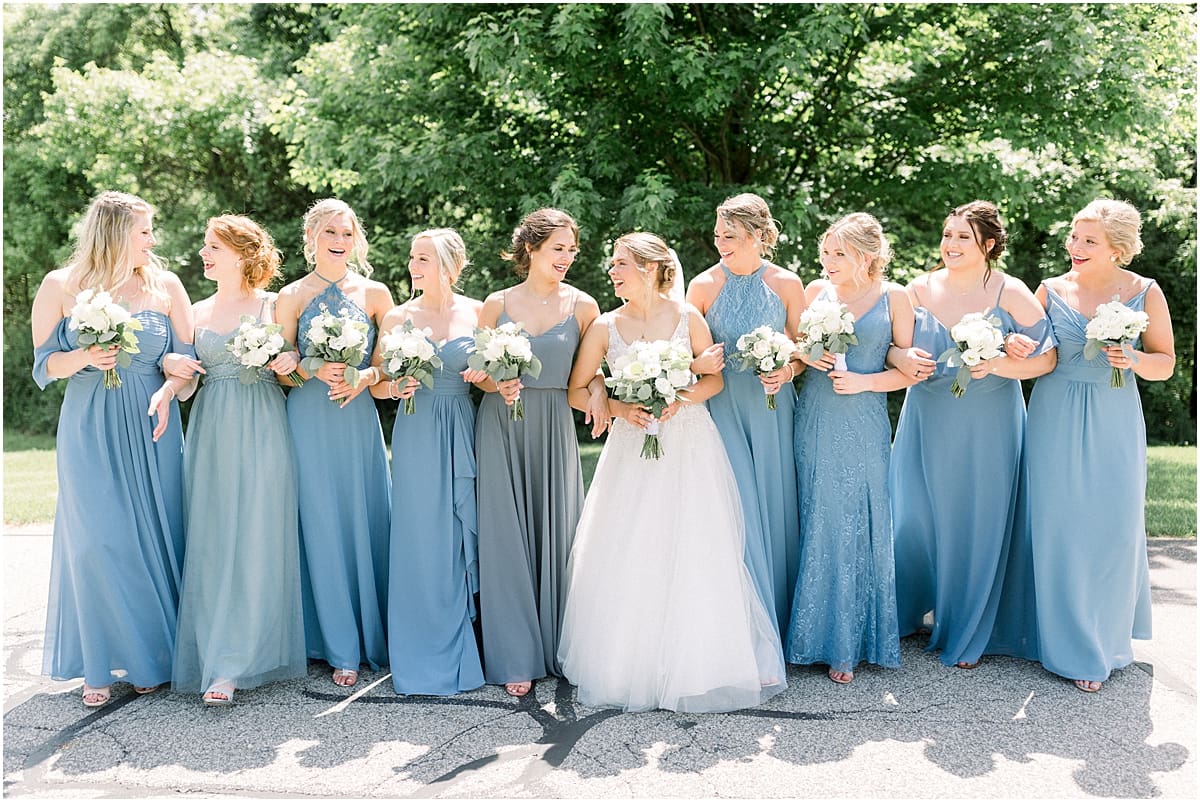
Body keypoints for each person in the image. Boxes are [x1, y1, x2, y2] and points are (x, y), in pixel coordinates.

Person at [558, 232, 786, 712]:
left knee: (695, 543)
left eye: (620, 263)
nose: (612, 272)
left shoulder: (687, 317)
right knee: (632, 542)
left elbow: (714, 380)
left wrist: (677, 397)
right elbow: (577, 390)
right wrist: (619, 407)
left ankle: (700, 661)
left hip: (689, 443)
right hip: (631, 448)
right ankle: (630, 663)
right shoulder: (604, 326)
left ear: (648, 268)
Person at [30, 190, 195, 707]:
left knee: (154, 537)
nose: (153, 240)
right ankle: (98, 663)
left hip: (153, 424)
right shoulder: (60, 285)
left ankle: (150, 658)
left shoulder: (166, 285)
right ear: (116, 232)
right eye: (145, 231)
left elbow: (188, 363)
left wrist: (170, 387)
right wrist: (85, 355)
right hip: (89, 426)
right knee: (97, 541)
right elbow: (43, 365)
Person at [887, 200, 1055, 669]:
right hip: (927, 413)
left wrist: (999, 362)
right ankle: (904, 609)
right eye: (947, 234)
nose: (951, 243)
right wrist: (901, 358)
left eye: (963, 236)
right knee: (914, 515)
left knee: (977, 517)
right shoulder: (916, 289)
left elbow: (1047, 359)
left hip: (989, 418)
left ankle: (969, 624)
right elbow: (891, 348)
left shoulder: (1009, 290)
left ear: (989, 244)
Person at [1024, 199, 1175, 692]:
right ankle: (1065, 640)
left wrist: (1134, 359)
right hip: (1054, 415)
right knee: (1059, 526)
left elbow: (1166, 363)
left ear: (1117, 248)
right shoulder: (1049, 290)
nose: (1075, 246)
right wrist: (1010, 347)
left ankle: (1105, 639)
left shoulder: (1144, 291)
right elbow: (1031, 350)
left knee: (1114, 526)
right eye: (1074, 236)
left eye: (1089, 240)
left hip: (1114, 417)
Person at [467, 208, 606, 698]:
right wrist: (495, 382)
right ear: (531, 248)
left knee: (559, 533)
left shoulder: (584, 306)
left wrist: (600, 390)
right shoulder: (496, 303)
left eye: (572, 250)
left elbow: (592, 371)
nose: (566, 257)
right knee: (505, 535)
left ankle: (560, 647)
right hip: (501, 423)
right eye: (557, 248)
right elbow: (480, 373)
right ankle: (515, 655)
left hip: (553, 426)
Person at [170, 215, 307, 705]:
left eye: (213, 247)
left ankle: (242, 657)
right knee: (212, 537)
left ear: (243, 255)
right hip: (211, 430)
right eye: (205, 245)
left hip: (265, 426)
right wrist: (169, 366)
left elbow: (294, 376)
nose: (203, 254)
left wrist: (292, 362)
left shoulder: (275, 305)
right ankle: (216, 654)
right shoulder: (195, 310)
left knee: (258, 535)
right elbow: (184, 383)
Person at [786, 214, 914, 684]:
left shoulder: (895, 297)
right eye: (826, 252)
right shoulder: (816, 292)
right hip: (816, 416)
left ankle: (849, 642)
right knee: (816, 513)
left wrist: (864, 382)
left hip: (864, 419)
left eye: (839, 253)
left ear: (868, 255)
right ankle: (809, 635)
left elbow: (907, 370)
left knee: (858, 517)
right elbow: (798, 352)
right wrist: (804, 353)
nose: (829, 261)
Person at [276, 198, 394, 687]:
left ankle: (377, 633)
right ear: (311, 238)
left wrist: (363, 376)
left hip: (357, 417)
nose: (340, 242)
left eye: (347, 233)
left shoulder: (376, 294)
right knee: (319, 519)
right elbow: (280, 372)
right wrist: (309, 367)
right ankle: (336, 644)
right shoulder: (291, 296)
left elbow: (387, 367)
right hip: (308, 417)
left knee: (365, 514)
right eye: (330, 232)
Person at [370, 229, 485, 696]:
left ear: (449, 266)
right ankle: (419, 647)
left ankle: (466, 641)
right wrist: (395, 387)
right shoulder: (398, 316)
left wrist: (488, 375)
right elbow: (378, 383)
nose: (413, 266)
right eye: (412, 258)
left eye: (423, 259)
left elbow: (491, 376)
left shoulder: (478, 311)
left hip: (462, 422)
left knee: (459, 529)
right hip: (417, 427)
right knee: (420, 532)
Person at [686, 193, 805, 637]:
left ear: (758, 235)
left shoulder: (787, 283)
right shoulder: (701, 286)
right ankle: (742, 626)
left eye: (730, 236)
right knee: (736, 502)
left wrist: (787, 370)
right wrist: (697, 364)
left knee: (776, 499)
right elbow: (686, 354)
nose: (720, 243)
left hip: (773, 406)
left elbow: (804, 348)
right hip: (722, 406)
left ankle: (781, 616)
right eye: (718, 235)